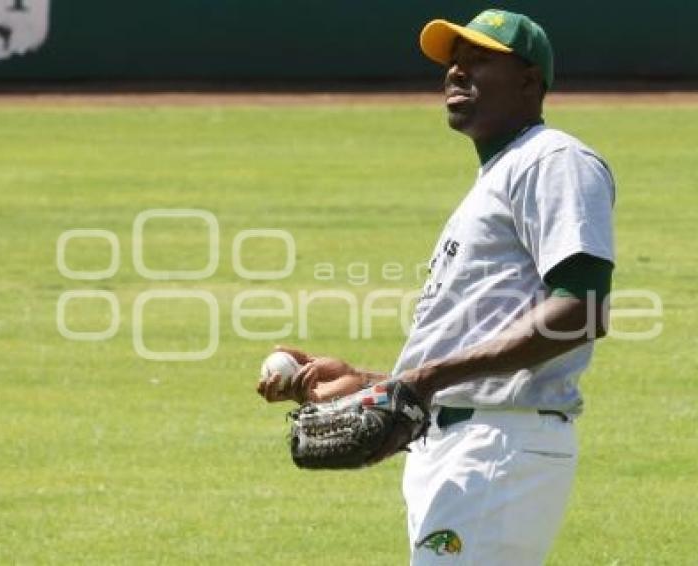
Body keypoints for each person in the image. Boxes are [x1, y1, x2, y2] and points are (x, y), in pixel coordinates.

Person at [257, 8, 615, 565]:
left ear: (529, 81)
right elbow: (470, 348)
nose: (455, 73)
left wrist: (424, 379)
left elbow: (583, 309)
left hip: (498, 448)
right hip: (462, 447)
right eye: (452, 62)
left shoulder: (555, 161)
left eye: (478, 61)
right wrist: (371, 383)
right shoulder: (497, 176)